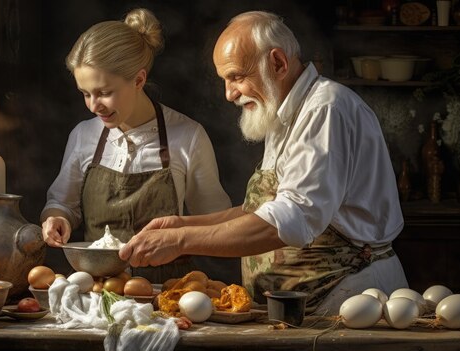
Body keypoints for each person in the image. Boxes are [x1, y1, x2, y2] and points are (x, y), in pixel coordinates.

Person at [119, 10, 408, 314]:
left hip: (349, 300)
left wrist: (180, 240)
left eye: (236, 77)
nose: (229, 94)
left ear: (278, 63)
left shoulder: (326, 110)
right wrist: (184, 223)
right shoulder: (283, 112)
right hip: (304, 307)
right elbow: (261, 211)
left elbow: (293, 217)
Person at [41, 8, 232, 283]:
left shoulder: (188, 136)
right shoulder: (83, 135)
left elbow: (217, 224)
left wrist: (179, 239)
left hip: (167, 297)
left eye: (105, 93)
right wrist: (57, 218)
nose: (94, 106)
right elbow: (62, 203)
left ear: (139, 80)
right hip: (98, 295)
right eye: (85, 94)